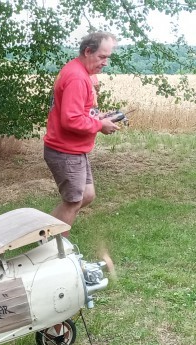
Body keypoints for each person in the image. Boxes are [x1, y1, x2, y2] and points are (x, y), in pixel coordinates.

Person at [43, 32, 120, 235]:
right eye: (102, 57)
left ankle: (45, 231)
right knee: (73, 202)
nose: (105, 63)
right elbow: (70, 120)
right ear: (88, 51)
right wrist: (99, 125)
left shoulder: (79, 72)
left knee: (86, 195)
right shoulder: (77, 78)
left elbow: (77, 111)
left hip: (74, 150)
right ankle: (57, 249)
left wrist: (97, 116)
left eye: (108, 58)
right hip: (65, 151)